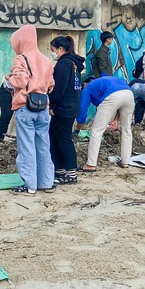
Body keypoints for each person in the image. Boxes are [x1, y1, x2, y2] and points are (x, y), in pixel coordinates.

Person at [6, 25, 55, 195]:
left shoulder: (21, 58)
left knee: (26, 147)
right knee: (43, 145)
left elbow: (19, 81)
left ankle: (30, 185)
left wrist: (8, 78)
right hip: (42, 108)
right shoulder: (47, 60)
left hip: (25, 107)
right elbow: (51, 86)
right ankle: (46, 183)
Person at [77, 76, 135, 172]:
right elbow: (120, 99)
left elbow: (82, 113)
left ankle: (90, 164)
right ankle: (125, 162)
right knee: (127, 130)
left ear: (84, 84)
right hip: (129, 94)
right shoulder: (106, 80)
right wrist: (116, 119)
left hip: (113, 96)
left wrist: (77, 130)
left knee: (96, 131)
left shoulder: (87, 87)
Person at [48, 36, 84, 185]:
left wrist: (52, 105)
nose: (52, 53)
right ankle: (60, 170)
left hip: (63, 108)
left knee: (63, 140)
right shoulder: (73, 64)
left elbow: (59, 88)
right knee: (55, 138)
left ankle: (70, 173)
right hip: (70, 107)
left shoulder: (64, 64)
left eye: (53, 50)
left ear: (60, 49)